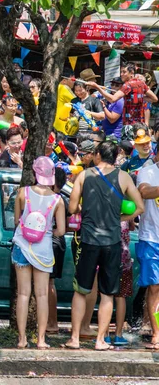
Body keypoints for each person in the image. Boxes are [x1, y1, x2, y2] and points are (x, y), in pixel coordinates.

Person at [65, 141, 144, 350]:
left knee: (81, 290)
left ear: (98, 154)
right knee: (107, 293)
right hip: (112, 242)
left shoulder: (84, 175)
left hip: (89, 240)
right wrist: (122, 218)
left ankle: (74, 338)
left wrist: (85, 209)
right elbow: (140, 207)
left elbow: (72, 207)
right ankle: (100, 340)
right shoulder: (124, 177)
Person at [12, 157, 66, 349]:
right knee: (42, 295)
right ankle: (41, 339)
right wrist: (47, 231)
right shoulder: (57, 200)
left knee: (23, 294)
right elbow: (60, 230)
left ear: (35, 173)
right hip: (43, 250)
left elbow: (17, 221)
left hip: (21, 246)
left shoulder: (22, 193)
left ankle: (22, 339)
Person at [88, 63, 158, 129]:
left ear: (131, 73)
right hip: (140, 125)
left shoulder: (127, 85)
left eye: (124, 72)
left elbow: (112, 99)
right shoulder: (141, 83)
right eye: (121, 72)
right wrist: (136, 97)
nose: (121, 74)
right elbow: (154, 99)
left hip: (129, 126)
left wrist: (97, 87)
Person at [136, 156, 159, 349]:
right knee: (154, 287)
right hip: (151, 238)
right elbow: (143, 191)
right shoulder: (148, 172)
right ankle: (156, 333)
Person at [47, 168, 69, 334]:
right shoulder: (61, 199)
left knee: (48, 283)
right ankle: (50, 322)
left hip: (52, 242)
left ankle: (52, 323)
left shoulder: (54, 199)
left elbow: (61, 229)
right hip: (57, 243)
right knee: (48, 283)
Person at [54, 70, 76, 135]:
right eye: (72, 80)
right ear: (64, 80)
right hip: (62, 126)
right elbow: (77, 102)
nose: (74, 82)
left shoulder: (54, 88)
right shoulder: (63, 87)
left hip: (54, 125)